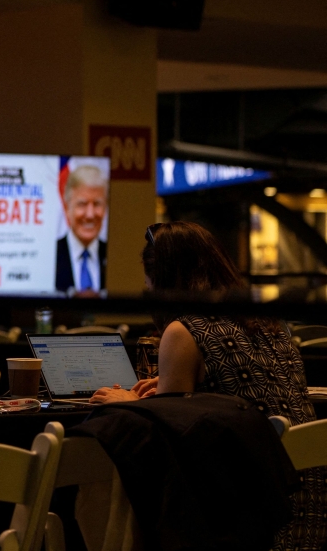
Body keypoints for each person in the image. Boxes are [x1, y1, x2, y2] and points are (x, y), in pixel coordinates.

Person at [90, 221, 325, 551]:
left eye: (148, 286)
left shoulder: (183, 330)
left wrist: (130, 402)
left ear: (166, 281)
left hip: (253, 518)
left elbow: (169, 443)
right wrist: (178, 388)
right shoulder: (270, 322)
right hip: (308, 507)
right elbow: (235, 394)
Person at [55, 165, 108, 294]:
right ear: (67, 209)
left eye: (97, 204)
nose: (90, 214)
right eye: (82, 204)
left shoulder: (115, 257)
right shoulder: (51, 255)